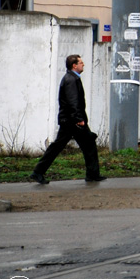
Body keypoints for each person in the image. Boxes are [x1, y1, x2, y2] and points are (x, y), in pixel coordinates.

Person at [29, 54, 105, 184]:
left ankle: (92, 174)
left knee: (85, 144)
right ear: (74, 65)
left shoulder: (72, 78)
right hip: (72, 121)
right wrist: (79, 119)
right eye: (80, 62)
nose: (83, 64)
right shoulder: (71, 80)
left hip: (70, 120)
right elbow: (73, 101)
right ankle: (38, 172)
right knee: (71, 145)